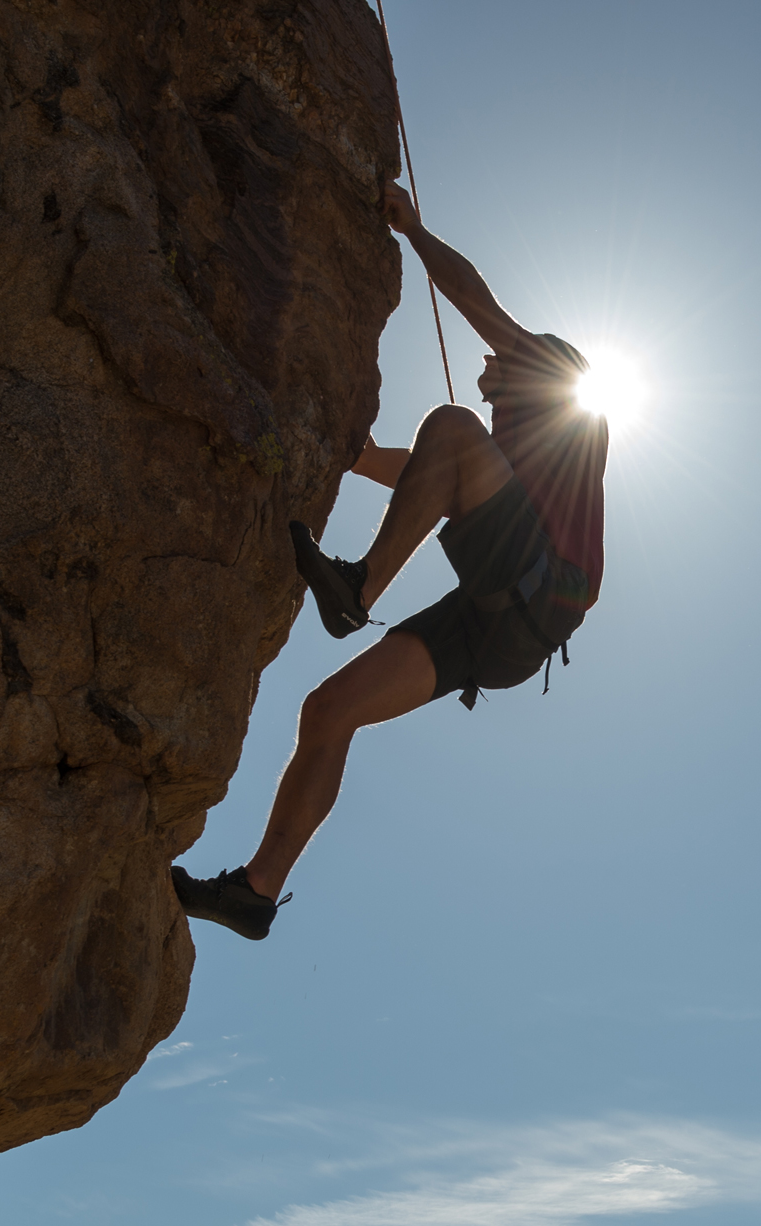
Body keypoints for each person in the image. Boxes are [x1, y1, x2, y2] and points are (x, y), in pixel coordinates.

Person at [170, 181, 610, 941]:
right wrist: (360, 454)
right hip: (503, 628)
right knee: (328, 711)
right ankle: (256, 892)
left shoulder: (560, 390)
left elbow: (472, 299)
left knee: (452, 424)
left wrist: (414, 229)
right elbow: (422, 472)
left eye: (504, 357)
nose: (490, 357)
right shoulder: (527, 452)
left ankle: (358, 589)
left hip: (536, 593)